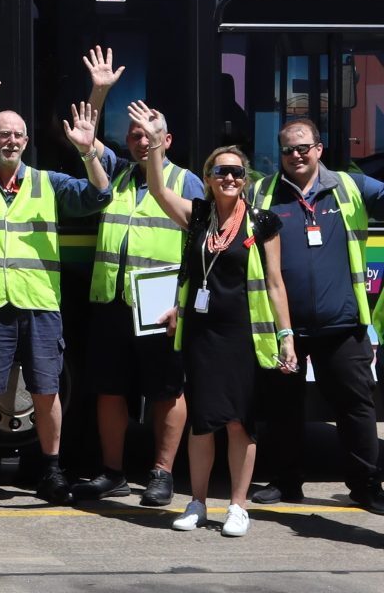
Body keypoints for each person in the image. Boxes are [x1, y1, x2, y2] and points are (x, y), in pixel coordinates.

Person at [133, 104, 297, 537]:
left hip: (243, 335)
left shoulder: (264, 223)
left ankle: (238, 506)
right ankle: (198, 502)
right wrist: (153, 143)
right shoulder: (199, 216)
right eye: (221, 171)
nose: (229, 179)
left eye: (237, 173)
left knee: (240, 420)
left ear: (246, 180)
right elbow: (156, 189)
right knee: (203, 420)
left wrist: (286, 338)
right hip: (202, 334)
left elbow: (276, 284)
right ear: (208, 177)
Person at [0, 75, 112, 505]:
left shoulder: (48, 183)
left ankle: (51, 472)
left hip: (39, 304)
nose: (13, 141)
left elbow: (99, 196)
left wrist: (88, 150)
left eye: (19, 135)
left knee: (46, 390)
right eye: (4, 134)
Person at [72, 47, 203, 506]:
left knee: (167, 390)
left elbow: (205, 250)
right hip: (112, 299)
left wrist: (186, 304)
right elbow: (86, 139)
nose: (140, 142)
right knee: (109, 390)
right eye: (133, 135)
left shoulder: (188, 183)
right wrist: (99, 90)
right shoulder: (118, 176)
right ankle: (113, 473)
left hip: (161, 303)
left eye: (149, 135)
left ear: (167, 140)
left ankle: (162, 473)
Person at [247, 117, 384, 512]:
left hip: (342, 323)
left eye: (303, 147)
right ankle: (286, 482)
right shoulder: (261, 192)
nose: (296, 155)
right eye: (288, 149)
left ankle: (365, 485)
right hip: (284, 325)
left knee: (356, 406)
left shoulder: (350, 186)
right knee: (283, 408)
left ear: (319, 149)